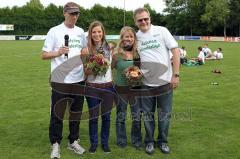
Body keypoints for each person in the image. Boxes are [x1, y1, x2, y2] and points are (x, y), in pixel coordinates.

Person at [41, 2, 86, 159]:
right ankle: (55, 144)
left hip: (79, 79)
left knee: (76, 113)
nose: (74, 16)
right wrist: (58, 52)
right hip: (60, 80)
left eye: (77, 14)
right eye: (72, 13)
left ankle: (73, 141)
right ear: (64, 13)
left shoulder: (81, 32)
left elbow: (84, 52)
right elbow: (43, 54)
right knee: (57, 114)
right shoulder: (54, 31)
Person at [133, 8, 180, 155]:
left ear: (150, 18)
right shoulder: (136, 37)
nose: (143, 22)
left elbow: (175, 51)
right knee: (147, 116)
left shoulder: (162, 31)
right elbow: (130, 55)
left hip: (165, 82)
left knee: (164, 116)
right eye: (140, 20)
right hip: (146, 84)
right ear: (136, 22)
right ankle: (149, 142)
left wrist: (176, 75)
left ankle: (163, 141)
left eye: (145, 18)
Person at [83, 21, 114, 154]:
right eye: (94, 32)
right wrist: (96, 68)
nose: (97, 34)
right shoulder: (86, 49)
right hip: (92, 87)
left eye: (99, 31)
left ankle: (105, 143)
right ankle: (94, 143)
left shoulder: (110, 48)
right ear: (90, 34)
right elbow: (85, 72)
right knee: (94, 117)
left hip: (108, 87)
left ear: (103, 33)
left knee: (106, 116)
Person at [112, 26, 142, 149]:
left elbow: (142, 70)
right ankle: (121, 140)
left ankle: (136, 140)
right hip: (121, 89)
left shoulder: (138, 54)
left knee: (136, 116)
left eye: (131, 36)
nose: (129, 39)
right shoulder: (116, 55)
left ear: (134, 39)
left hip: (136, 89)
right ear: (122, 38)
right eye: (126, 36)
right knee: (121, 116)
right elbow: (110, 69)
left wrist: (137, 74)